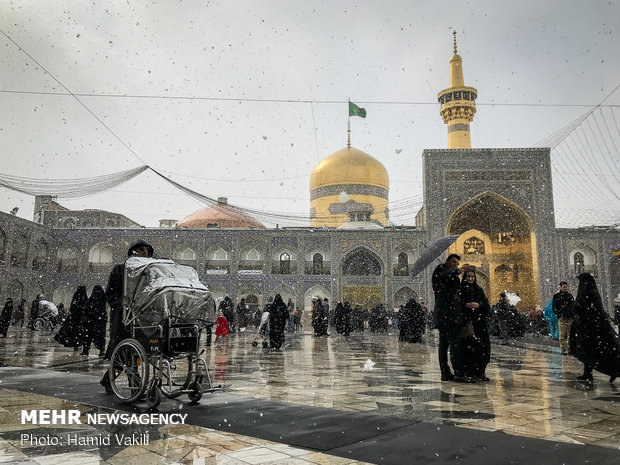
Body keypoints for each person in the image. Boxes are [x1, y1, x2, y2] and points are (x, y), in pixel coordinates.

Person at [100, 239, 154, 394]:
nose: (145, 252)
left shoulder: (148, 272)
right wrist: (122, 304)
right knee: (128, 354)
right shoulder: (120, 270)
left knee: (130, 354)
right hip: (123, 319)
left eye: (146, 250)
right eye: (142, 249)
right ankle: (135, 389)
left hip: (141, 319)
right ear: (133, 252)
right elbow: (110, 293)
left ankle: (107, 380)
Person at [432, 253, 474, 383]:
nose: (456, 265)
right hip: (447, 315)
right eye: (454, 262)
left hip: (449, 315)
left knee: (444, 345)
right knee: (453, 345)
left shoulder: (450, 274)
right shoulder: (441, 270)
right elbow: (445, 275)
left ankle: (446, 373)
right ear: (448, 261)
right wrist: (457, 271)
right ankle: (458, 373)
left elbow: (456, 290)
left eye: (457, 263)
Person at [571, 273, 620, 383]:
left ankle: (612, 370)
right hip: (598, 326)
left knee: (589, 350)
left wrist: (574, 309)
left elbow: (577, 307)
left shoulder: (584, 292)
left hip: (588, 328)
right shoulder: (593, 292)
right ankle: (590, 373)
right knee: (597, 350)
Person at [460, 269, 491, 381]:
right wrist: (466, 305)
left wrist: (478, 305)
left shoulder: (479, 290)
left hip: (479, 324)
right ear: (464, 277)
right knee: (468, 349)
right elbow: (456, 306)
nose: (470, 278)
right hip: (467, 324)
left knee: (483, 348)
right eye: (468, 276)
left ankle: (480, 371)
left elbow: (486, 305)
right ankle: (469, 372)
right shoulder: (460, 290)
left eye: (472, 276)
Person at [54, 286, 89, 350]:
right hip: (80, 318)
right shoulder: (84, 296)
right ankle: (80, 345)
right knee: (80, 333)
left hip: (74, 318)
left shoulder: (76, 296)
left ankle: (76, 345)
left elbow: (73, 307)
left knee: (74, 332)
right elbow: (86, 307)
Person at [81, 285, 108, 356]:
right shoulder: (103, 299)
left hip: (91, 322)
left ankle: (86, 350)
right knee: (101, 336)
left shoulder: (92, 299)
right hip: (100, 321)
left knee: (88, 336)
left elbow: (87, 308)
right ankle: (102, 350)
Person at [553, 281, 575, 355]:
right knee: (562, 335)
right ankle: (563, 349)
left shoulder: (569, 296)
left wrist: (572, 316)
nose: (565, 288)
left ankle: (569, 348)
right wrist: (558, 316)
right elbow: (554, 307)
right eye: (564, 287)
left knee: (570, 334)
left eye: (566, 287)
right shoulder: (557, 296)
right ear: (561, 287)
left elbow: (573, 306)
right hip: (562, 318)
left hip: (569, 318)